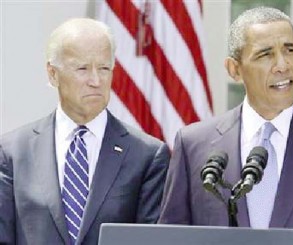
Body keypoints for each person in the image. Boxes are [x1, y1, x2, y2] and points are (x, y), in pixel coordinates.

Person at [158, 6, 293, 245]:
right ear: (235, 70)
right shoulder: (194, 145)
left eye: (290, 50)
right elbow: (171, 237)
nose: (283, 65)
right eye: (265, 54)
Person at [0, 18, 170, 244]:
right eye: (82, 68)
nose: (96, 80)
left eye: (104, 68)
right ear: (52, 74)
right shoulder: (13, 151)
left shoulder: (147, 155)